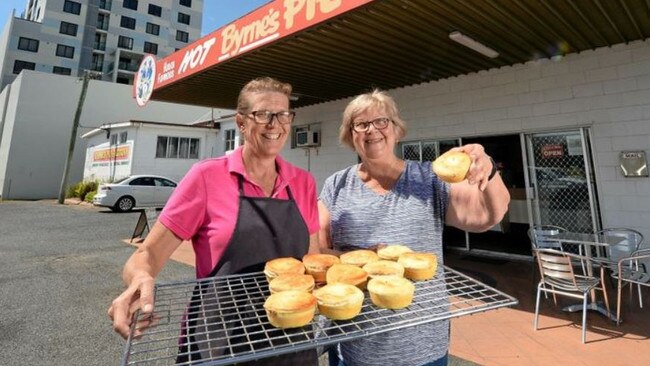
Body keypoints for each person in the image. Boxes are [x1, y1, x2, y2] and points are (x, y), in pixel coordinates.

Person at [108, 77, 320, 365]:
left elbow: (314, 261)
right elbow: (148, 253)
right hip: (218, 342)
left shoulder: (303, 182)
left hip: (293, 340)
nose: (275, 124)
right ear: (241, 123)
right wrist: (141, 278)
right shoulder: (206, 177)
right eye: (262, 114)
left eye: (283, 114)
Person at [318, 90, 510, 366]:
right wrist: (362, 259)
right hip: (355, 344)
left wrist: (488, 170)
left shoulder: (428, 178)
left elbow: (486, 216)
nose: (372, 130)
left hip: (421, 345)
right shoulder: (336, 185)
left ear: (396, 130)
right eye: (361, 124)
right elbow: (319, 252)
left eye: (381, 121)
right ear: (350, 136)